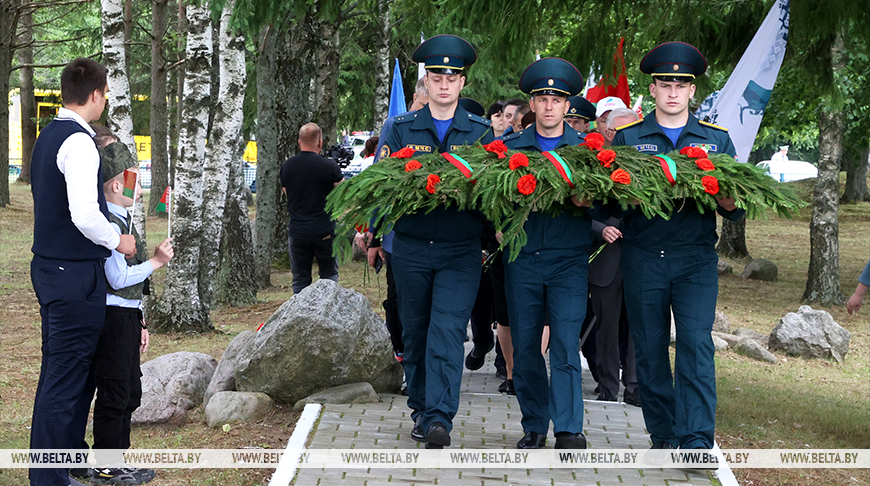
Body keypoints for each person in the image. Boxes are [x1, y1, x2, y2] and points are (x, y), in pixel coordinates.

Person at [611, 41, 745, 459]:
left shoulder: (716, 141)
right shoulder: (630, 138)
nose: (672, 91)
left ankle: (697, 439)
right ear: (651, 90)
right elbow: (608, 200)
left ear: (692, 92)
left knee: (695, 344)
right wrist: (626, 197)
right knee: (649, 350)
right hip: (644, 258)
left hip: (694, 261)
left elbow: (737, 211)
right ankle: (663, 432)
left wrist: (724, 198)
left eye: (681, 84)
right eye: (664, 83)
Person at [379, 34, 494, 449]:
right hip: (410, 247)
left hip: (460, 251)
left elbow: (493, 195)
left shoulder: (481, 134)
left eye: (453, 76)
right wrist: (375, 234)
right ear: (426, 81)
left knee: (447, 331)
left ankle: (439, 417)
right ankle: (421, 407)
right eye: (437, 75)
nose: (444, 83)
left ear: (463, 83)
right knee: (416, 330)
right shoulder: (400, 127)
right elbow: (379, 186)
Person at [29, 58, 136, 486]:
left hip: (55, 269)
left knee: (64, 373)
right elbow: (84, 215)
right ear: (95, 94)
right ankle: (50, 479)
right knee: (64, 377)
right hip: (72, 274)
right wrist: (119, 239)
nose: (105, 99)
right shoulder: (77, 142)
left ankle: (62, 465)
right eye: (106, 92)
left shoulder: (49, 135)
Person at [501, 57, 605, 450]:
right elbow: (488, 200)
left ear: (567, 106)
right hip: (523, 260)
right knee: (527, 346)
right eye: (542, 98)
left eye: (556, 99)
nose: (548, 106)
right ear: (532, 104)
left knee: (564, 343)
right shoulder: (510, 149)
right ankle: (533, 425)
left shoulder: (586, 152)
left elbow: (606, 205)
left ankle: (568, 428)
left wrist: (587, 200)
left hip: (568, 261)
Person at [90, 138, 173, 486]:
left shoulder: (123, 218)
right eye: (133, 179)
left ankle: (118, 462)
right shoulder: (109, 222)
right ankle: (107, 467)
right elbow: (118, 276)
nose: (139, 186)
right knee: (114, 394)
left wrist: (140, 319)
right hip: (111, 321)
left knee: (129, 393)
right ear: (114, 183)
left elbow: (130, 288)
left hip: (126, 318)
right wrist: (156, 262)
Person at [280, 123, 343, 294]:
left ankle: (300, 314)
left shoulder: (287, 167)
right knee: (329, 275)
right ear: (320, 142)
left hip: (298, 230)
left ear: (299, 142)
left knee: (300, 279)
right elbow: (343, 193)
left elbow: (288, 193)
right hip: (325, 230)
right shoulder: (329, 167)